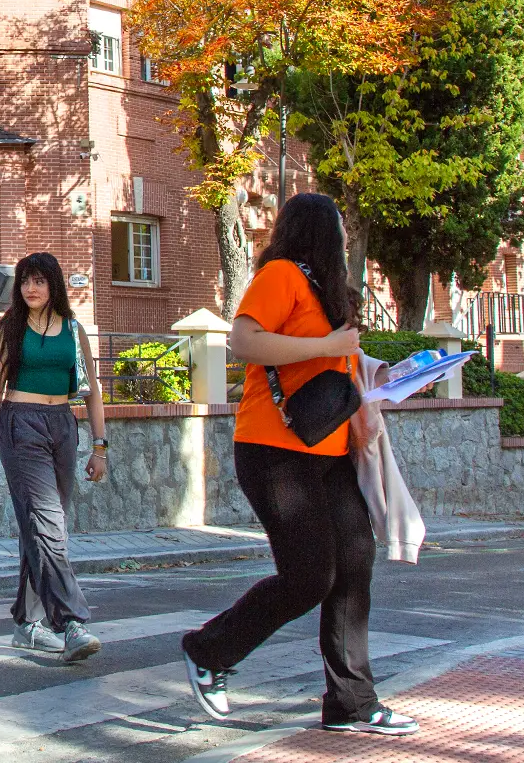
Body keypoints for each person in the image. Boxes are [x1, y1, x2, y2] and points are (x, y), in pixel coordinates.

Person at [178, 193, 416, 737]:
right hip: (273, 452)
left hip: (329, 453)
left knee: (355, 565)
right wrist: (328, 343)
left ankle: (352, 703)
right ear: (320, 232)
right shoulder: (282, 274)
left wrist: (373, 394)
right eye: (340, 229)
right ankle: (209, 650)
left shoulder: (330, 294)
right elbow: (244, 340)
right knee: (309, 576)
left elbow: (339, 368)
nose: (346, 240)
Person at [0, 251, 109, 663]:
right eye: (26, 281)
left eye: (40, 281)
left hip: (62, 425)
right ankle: (71, 623)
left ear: (54, 286)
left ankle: (27, 624)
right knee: (47, 523)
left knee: (47, 525)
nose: (31, 288)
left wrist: (100, 446)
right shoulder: (10, 327)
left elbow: (93, 390)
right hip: (20, 424)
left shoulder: (74, 329)